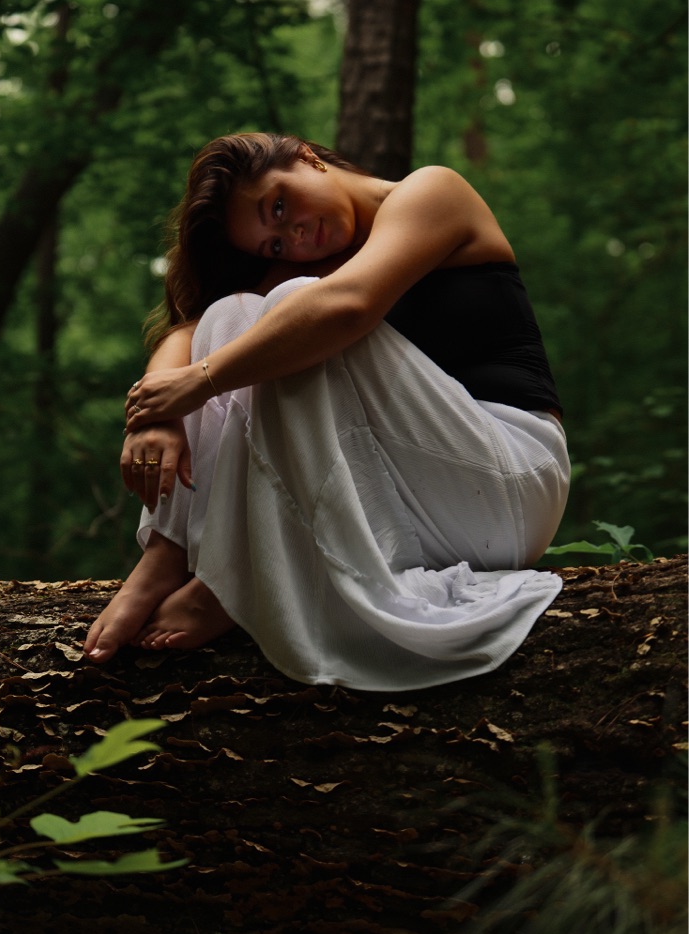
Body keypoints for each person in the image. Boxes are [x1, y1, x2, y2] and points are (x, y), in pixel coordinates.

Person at [84, 132, 570, 691]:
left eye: (280, 206)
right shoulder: (310, 264)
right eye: (272, 245)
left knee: (293, 309)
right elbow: (194, 331)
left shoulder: (430, 192)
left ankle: (231, 576)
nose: (291, 237)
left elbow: (348, 307)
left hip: (508, 481)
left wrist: (199, 383)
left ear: (305, 158)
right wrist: (157, 414)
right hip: (414, 510)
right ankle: (168, 558)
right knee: (237, 311)